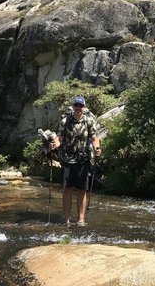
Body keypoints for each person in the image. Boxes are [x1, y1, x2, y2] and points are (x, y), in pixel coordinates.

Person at [49, 95, 101, 226]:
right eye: (76, 105)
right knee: (67, 189)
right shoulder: (65, 121)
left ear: (84, 107)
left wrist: (97, 149)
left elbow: (95, 138)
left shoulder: (89, 122)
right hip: (68, 159)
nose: (78, 108)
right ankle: (66, 219)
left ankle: (81, 219)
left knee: (82, 190)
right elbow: (59, 138)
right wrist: (54, 145)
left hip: (83, 160)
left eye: (80, 106)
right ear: (73, 107)